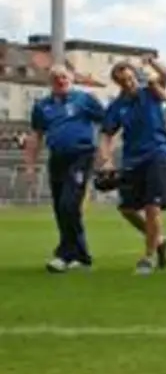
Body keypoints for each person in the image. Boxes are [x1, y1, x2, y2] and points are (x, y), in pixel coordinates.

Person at [97, 57, 166, 275]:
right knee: (127, 209)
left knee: (152, 207)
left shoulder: (151, 93)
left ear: (135, 76)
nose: (129, 83)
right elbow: (106, 134)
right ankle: (160, 242)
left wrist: (152, 61)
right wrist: (106, 159)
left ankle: (148, 257)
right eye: (123, 80)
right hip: (132, 159)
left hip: (157, 153)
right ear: (117, 83)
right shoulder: (116, 107)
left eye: (131, 78)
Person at [24, 65, 106, 272]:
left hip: (81, 156)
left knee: (69, 204)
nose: (60, 80)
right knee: (60, 207)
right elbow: (35, 136)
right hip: (57, 158)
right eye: (55, 77)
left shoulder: (84, 100)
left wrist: (104, 153)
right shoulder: (42, 106)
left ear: (71, 79)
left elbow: (107, 123)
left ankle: (65, 254)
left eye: (64, 76)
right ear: (50, 82)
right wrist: (30, 167)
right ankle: (81, 255)